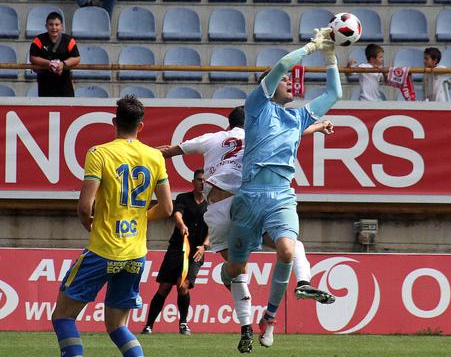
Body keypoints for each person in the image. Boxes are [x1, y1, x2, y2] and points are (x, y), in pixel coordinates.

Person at [158, 106, 336, 353]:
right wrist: (319, 126)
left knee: (237, 271)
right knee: (293, 246)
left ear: (228, 124)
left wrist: (135, 151)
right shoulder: (260, 134)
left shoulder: (212, 138)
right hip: (249, 203)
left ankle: (246, 328)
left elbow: (168, 151)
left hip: (220, 207)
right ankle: (302, 282)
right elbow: (293, 131)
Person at [221, 28, 340, 351]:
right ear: (272, 88)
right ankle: (228, 269)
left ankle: (269, 318)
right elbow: (281, 66)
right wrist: (311, 47)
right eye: (285, 82)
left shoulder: (298, 118)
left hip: (282, 196)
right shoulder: (257, 107)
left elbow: (334, 94)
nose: (290, 84)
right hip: (249, 198)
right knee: (234, 269)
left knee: (288, 250)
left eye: (289, 81)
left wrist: (330, 55)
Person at [51, 95, 173, 357]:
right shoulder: (155, 156)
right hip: (135, 254)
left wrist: (89, 224)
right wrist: (139, 218)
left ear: (115, 122)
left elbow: (85, 207)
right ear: (141, 126)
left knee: (63, 316)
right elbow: (167, 209)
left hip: (103, 249)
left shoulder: (99, 153)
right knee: (118, 326)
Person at [142, 169, 209, 336]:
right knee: (164, 287)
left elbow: (214, 229)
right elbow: (177, 214)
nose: (202, 183)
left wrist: (204, 246)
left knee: (183, 285)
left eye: (205, 181)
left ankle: (183, 323)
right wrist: (181, 225)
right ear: (193, 181)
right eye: (199, 180)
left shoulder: (212, 203)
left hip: (196, 252)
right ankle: (149, 325)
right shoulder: (183, 198)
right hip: (177, 248)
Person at [29, 12, 81, 97]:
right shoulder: (38, 40)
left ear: (62, 26)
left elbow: (77, 58)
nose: (54, 27)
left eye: (57, 24)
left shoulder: (69, 40)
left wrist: (63, 64)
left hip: (65, 85)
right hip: (45, 84)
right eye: (51, 24)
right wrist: (49, 63)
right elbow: (33, 58)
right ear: (46, 25)